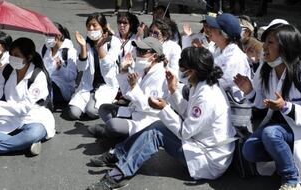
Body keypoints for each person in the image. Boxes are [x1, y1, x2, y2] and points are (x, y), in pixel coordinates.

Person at [86, 47, 236, 190]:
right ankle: (118, 154)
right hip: (203, 144)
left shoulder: (206, 96)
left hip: (209, 160)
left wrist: (164, 108)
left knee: (156, 133)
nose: (181, 72)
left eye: (183, 69)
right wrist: (172, 91)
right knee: (159, 125)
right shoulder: (202, 84)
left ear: (193, 71)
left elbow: (185, 132)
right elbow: (188, 112)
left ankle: (118, 175)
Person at [234, 24, 301, 189]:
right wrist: (250, 91)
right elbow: (261, 103)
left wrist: (285, 106)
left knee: (271, 133)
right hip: (279, 127)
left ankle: (291, 180)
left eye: (270, 42)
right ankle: (286, 160)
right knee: (249, 150)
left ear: (286, 47)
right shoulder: (267, 69)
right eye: (265, 41)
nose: (264, 47)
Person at [90, 37, 168, 139]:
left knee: (112, 125)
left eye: (143, 51)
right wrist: (124, 71)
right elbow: (127, 93)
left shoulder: (160, 75)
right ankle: (117, 134)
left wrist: (134, 87)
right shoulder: (144, 68)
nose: (138, 54)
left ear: (155, 56)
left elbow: (147, 106)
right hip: (134, 111)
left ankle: (111, 135)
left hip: (148, 119)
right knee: (104, 109)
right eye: (138, 50)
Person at [68, 13, 121, 120]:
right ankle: (91, 99)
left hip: (106, 84)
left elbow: (107, 65)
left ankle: (111, 103)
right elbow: (81, 67)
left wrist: (100, 46)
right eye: (88, 26)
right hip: (88, 85)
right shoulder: (85, 42)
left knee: (91, 111)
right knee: (74, 113)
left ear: (103, 27)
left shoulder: (113, 42)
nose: (91, 29)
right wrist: (83, 47)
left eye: (94, 25)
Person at [204, 13, 251, 102]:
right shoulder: (219, 49)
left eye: (213, 27)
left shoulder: (234, 58)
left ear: (223, 34)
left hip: (231, 108)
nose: (208, 29)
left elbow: (216, 84)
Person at [42, 23, 77, 109]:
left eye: (50, 35)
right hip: (46, 83)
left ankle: (46, 103)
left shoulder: (69, 51)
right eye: (46, 34)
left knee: (47, 85)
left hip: (63, 89)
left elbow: (72, 76)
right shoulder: (44, 49)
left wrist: (61, 68)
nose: (47, 38)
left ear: (59, 36)